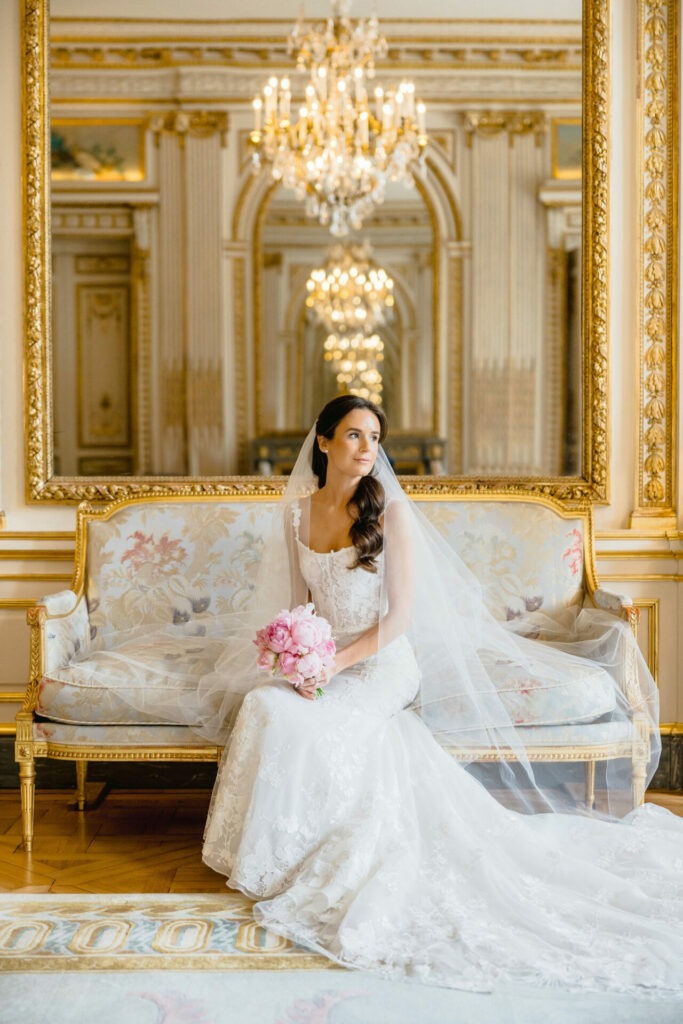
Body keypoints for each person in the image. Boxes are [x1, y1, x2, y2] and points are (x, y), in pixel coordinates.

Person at [200, 395, 683, 996]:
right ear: (322, 443)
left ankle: (308, 858)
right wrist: (294, 651)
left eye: (374, 437)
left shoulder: (390, 514)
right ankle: (273, 856)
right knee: (264, 705)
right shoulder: (296, 514)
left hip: (381, 663)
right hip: (325, 658)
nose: (366, 448)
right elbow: (301, 604)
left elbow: (399, 618)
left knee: (311, 724)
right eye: (353, 436)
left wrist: (334, 664)